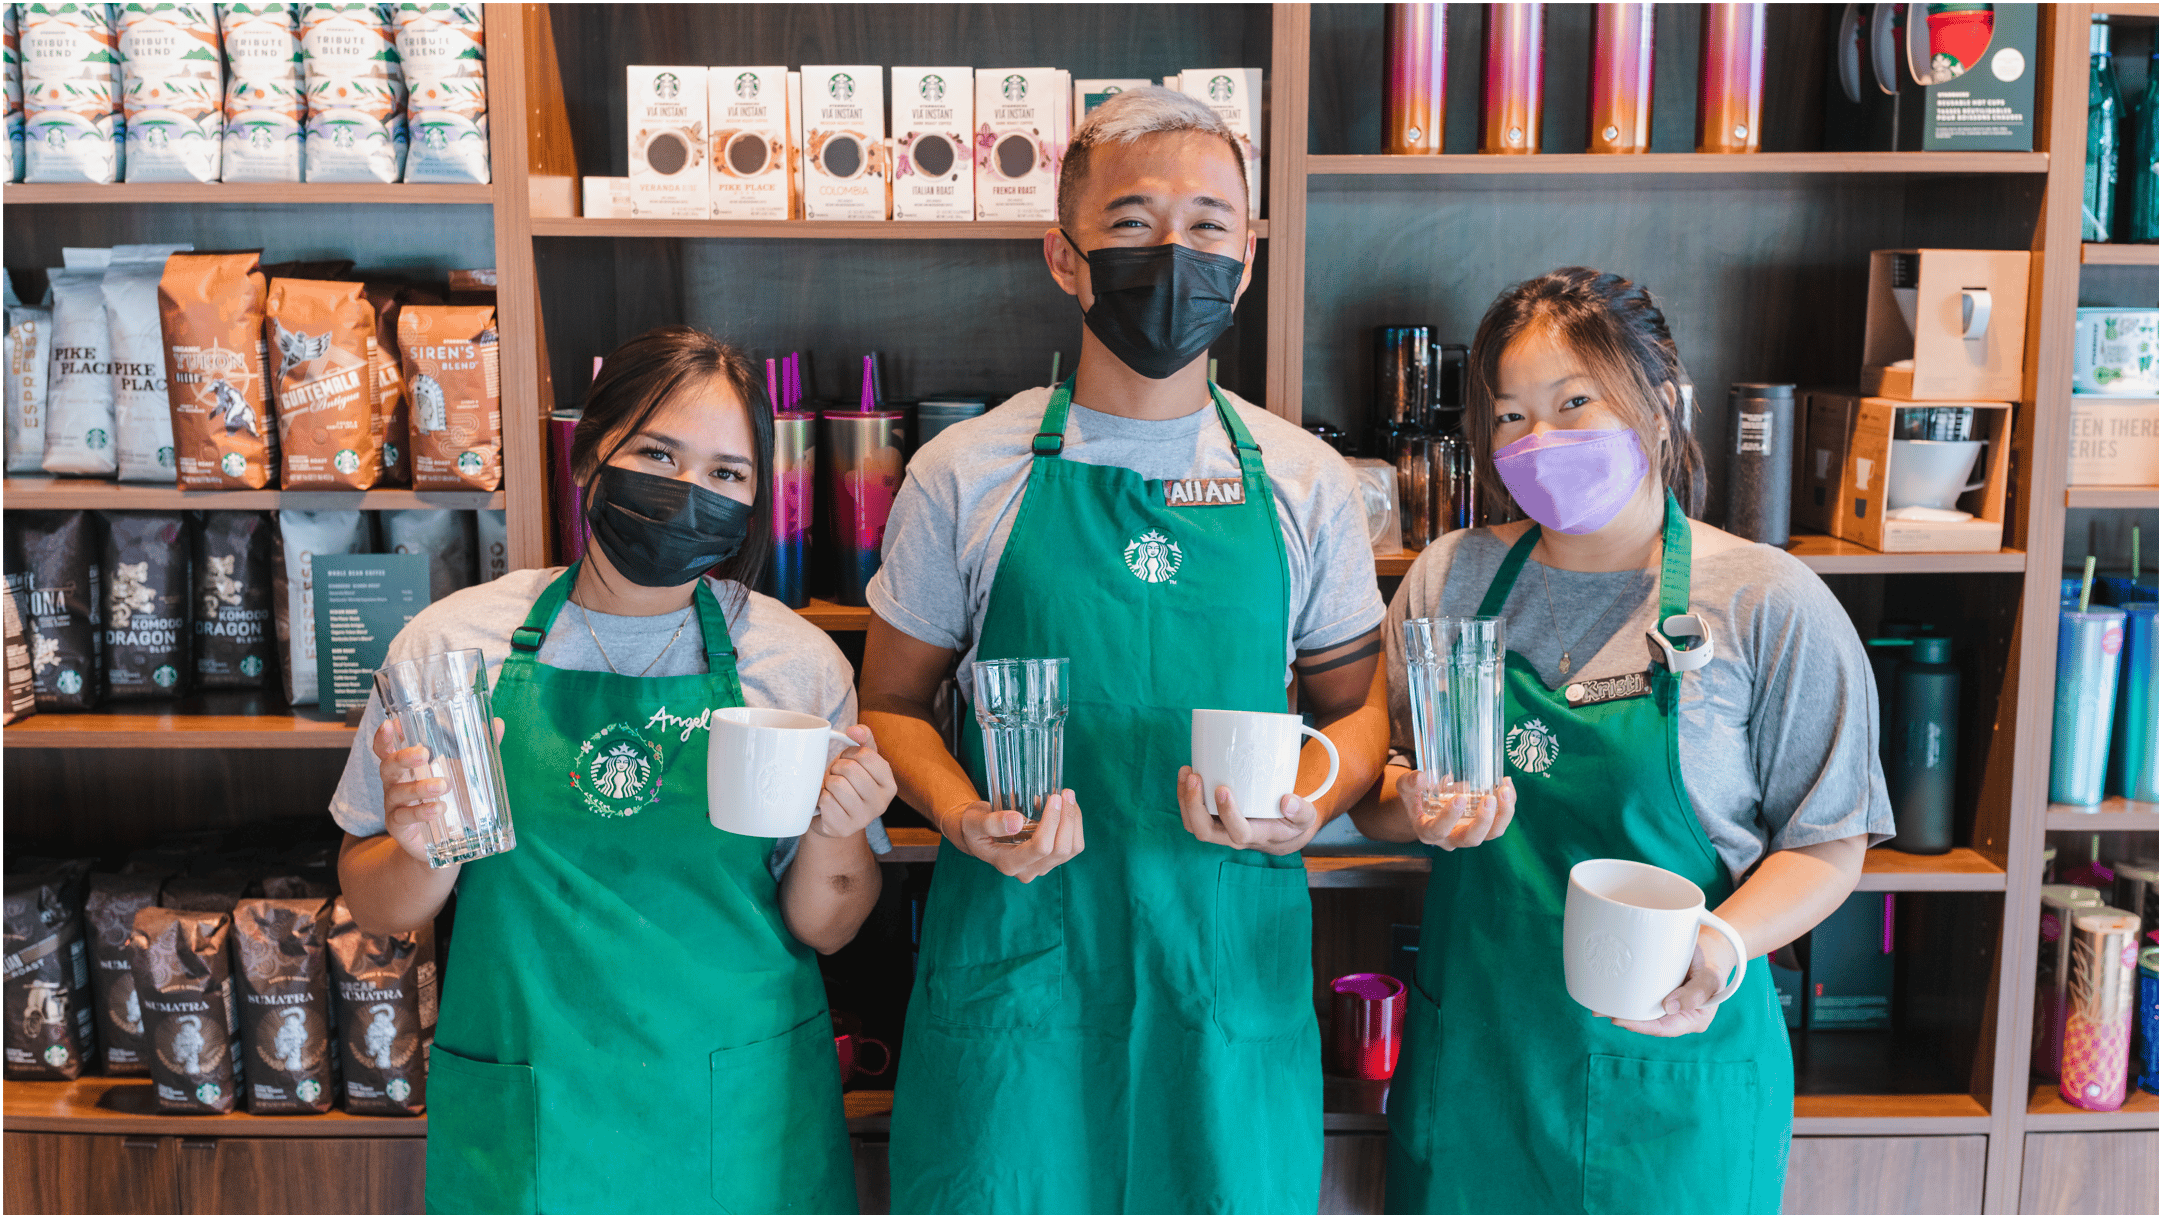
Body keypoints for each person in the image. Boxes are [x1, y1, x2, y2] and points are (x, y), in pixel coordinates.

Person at [862, 87, 1389, 1215]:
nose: (1175, 250)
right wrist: (960, 817)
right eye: (1133, 222)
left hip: (1223, 965)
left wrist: (1310, 795)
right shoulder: (964, 472)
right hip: (1021, 967)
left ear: (1245, 258)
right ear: (1065, 255)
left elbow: (1358, 713)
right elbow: (893, 705)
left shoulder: (1303, 480)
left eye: (1208, 224)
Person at [1355, 269, 1892, 1214]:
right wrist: (1416, 808)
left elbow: (1830, 840)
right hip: (1481, 1066)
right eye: (1511, 417)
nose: (1539, 439)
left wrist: (1724, 943)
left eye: (1572, 402)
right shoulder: (1452, 580)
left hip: (1675, 1082)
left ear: (1658, 402)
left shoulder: (1766, 601)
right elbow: (1379, 785)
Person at [332, 327, 895, 1215]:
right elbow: (376, 905)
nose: (687, 492)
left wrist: (840, 829)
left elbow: (828, 924)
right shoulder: (451, 647)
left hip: (736, 1114)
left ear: (756, 495)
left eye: (726, 473)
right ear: (593, 451)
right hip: (534, 1111)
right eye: (658, 453)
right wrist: (419, 849)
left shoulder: (795, 663)